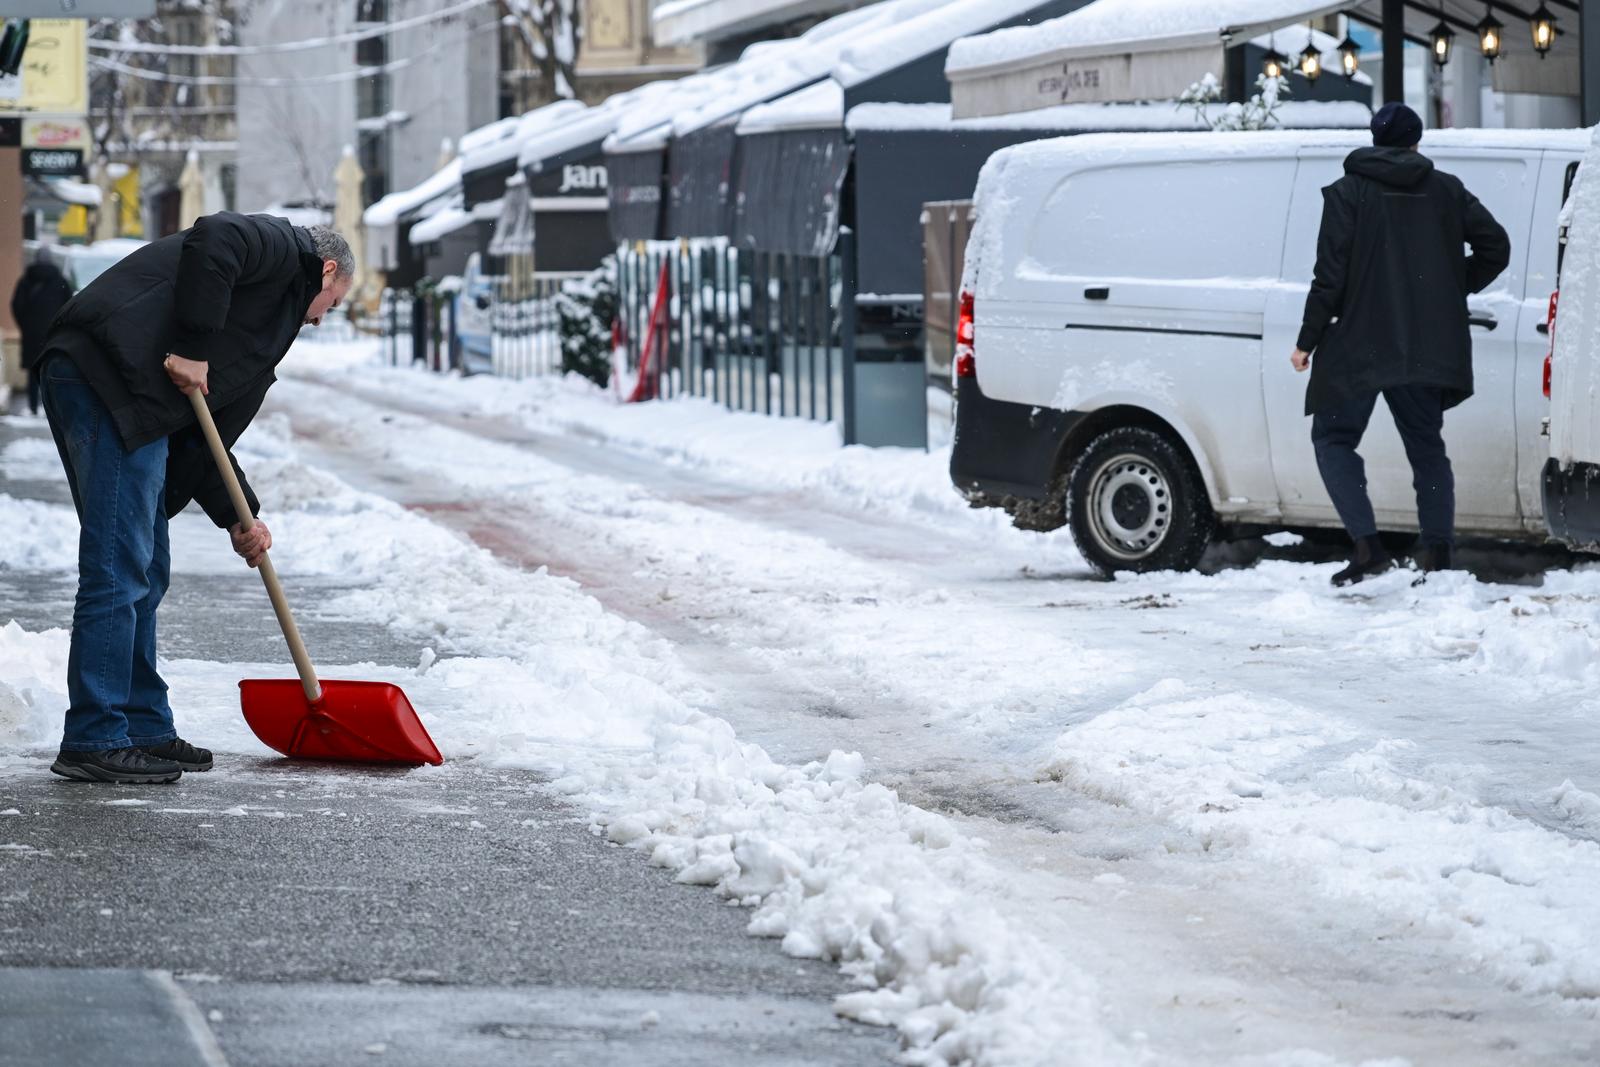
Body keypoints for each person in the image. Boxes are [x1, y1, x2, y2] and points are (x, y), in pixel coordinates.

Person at [38, 211, 353, 784]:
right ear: (326, 271)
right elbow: (216, 236)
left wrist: (240, 517)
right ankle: (94, 735)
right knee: (119, 565)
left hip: (140, 399)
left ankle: (141, 725)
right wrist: (191, 346)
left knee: (147, 569)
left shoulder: (259, 335)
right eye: (330, 305)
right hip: (104, 375)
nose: (320, 321)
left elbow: (205, 440)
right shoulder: (283, 248)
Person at [1291, 102, 1511, 588]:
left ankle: (1368, 548)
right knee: (1427, 448)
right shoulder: (1447, 190)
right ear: (1416, 141)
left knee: (1333, 439)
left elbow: (1328, 275)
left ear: (1375, 139)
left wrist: (1307, 340)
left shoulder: (1348, 193)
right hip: (1427, 343)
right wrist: (1452, 289)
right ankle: (1436, 552)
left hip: (1359, 344)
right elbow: (1497, 246)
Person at [9, 251, 72, 416]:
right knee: (51, 369)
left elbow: (16, 305)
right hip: (52, 334)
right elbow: (69, 307)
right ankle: (50, 408)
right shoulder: (60, 281)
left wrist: (26, 325)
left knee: (32, 370)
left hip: (31, 334)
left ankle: (32, 407)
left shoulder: (26, 281)